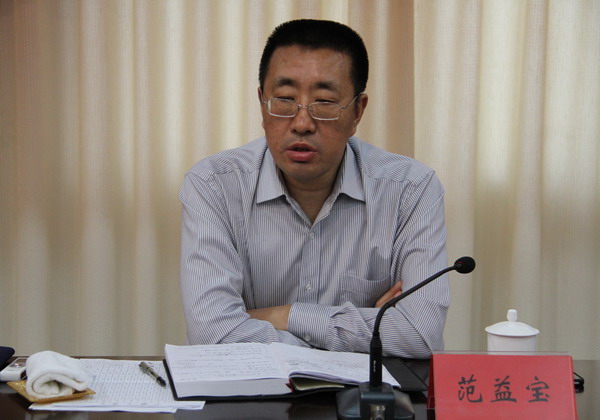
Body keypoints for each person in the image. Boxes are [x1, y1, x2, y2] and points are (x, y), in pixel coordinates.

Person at [179, 19, 449, 358]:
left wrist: (283, 315)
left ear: (357, 112)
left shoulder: (411, 189)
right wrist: (368, 329)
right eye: (284, 99)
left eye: (324, 102)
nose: (302, 123)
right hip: (252, 388)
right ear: (262, 103)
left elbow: (419, 335)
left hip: (367, 391)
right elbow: (211, 334)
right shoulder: (214, 184)